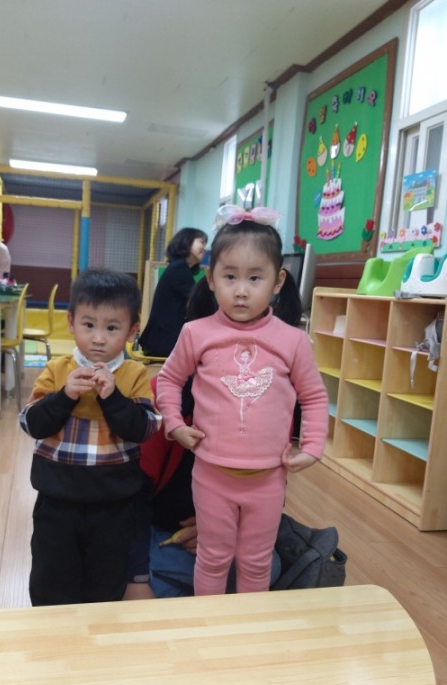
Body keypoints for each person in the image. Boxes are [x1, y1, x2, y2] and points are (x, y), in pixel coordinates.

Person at [156, 206, 328, 596]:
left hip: (268, 479)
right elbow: (168, 380)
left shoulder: (293, 341)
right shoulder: (196, 333)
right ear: (211, 279)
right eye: (230, 276)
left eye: (255, 277)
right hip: (211, 475)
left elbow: (315, 397)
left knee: (256, 560)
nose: (241, 290)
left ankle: (251, 624)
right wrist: (175, 424)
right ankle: (209, 623)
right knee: (213, 557)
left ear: (278, 281)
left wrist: (312, 446)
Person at [19, 268, 160, 606]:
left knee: (105, 583)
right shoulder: (57, 370)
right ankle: (53, 630)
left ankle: (97, 632)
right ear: (71, 323)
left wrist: (113, 398)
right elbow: (32, 424)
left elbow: (144, 429)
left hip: (114, 505)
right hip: (57, 501)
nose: (98, 338)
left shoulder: (135, 374)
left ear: (133, 330)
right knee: (51, 580)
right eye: (88, 325)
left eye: (112, 328)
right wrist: (64, 396)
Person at [138, 227, 207, 357]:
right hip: (163, 342)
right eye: (201, 242)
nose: (204, 248)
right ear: (186, 241)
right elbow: (200, 302)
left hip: (161, 340)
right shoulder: (179, 269)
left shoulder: (178, 268)